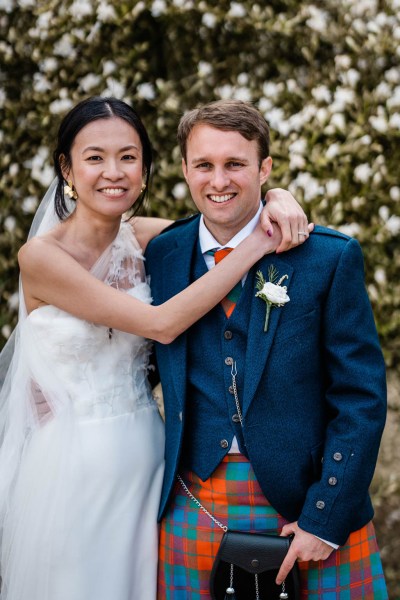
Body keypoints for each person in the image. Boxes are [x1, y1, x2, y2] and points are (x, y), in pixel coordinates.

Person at [0, 96, 310, 600]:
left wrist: (277, 196)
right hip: (72, 461)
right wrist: (258, 244)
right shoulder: (41, 257)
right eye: (94, 157)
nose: (112, 171)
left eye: (128, 156)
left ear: (145, 169)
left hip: (148, 456)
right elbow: (162, 325)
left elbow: (224, 220)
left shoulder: (149, 239)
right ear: (67, 169)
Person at [145, 99, 388, 599]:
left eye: (235, 164)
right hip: (194, 498)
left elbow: (360, 397)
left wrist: (324, 517)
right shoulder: (162, 254)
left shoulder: (328, 256)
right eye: (204, 165)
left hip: (306, 501)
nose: (219, 180)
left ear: (265, 168)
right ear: (184, 169)